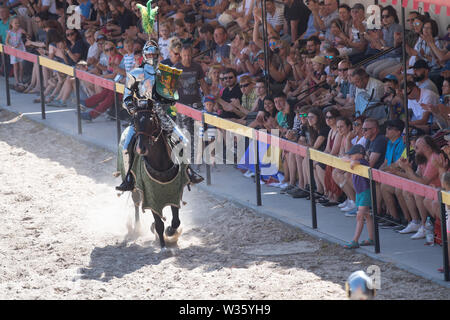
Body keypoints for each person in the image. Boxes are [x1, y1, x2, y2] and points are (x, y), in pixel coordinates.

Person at [343, 144, 375, 249]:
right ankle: (371, 238)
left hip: (365, 192)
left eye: (353, 154)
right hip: (360, 192)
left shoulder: (363, 161)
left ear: (360, 154)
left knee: (360, 216)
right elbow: (349, 160)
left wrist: (351, 161)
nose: (351, 155)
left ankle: (355, 240)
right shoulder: (357, 160)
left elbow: (358, 162)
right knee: (367, 215)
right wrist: (349, 160)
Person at [6, 16, 26, 91]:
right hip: (14, 50)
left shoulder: (20, 30)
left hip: (20, 49)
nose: (17, 24)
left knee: (21, 66)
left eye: (18, 23)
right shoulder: (9, 32)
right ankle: (16, 80)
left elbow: (27, 35)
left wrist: (26, 35)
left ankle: (21, 79)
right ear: (11, 24)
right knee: (15, 66)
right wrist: (11, 46)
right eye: (15, 23)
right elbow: (6, 42)